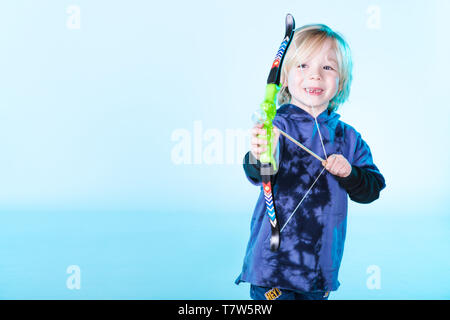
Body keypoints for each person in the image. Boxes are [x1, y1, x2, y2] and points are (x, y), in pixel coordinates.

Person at [235, 24, 386, 300]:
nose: (315, 74)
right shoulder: (275, 127)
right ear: (284, 77)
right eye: (302, 65)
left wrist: (351, 173)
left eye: (328, 68)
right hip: (272, 266)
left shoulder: (348, 137)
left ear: (341, 81)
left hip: (319, 269)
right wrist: (259, 152)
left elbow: (373, 188)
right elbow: (258, 174)